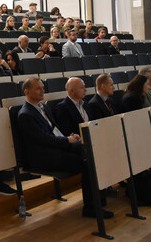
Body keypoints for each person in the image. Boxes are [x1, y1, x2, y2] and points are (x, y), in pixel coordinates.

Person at [18, 77, 113, 219]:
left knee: (92, 152)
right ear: (27, 91)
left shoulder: (43, 107)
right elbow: (43, 139)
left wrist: (69, 137)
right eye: (38, 88)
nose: (43, 90)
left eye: (43, 87)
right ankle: (91, 207)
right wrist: (66, 140)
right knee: (87, 162)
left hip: (55, 148)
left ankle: (99, 197)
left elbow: (55, 130)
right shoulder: (25, 114)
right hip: (43, 156)